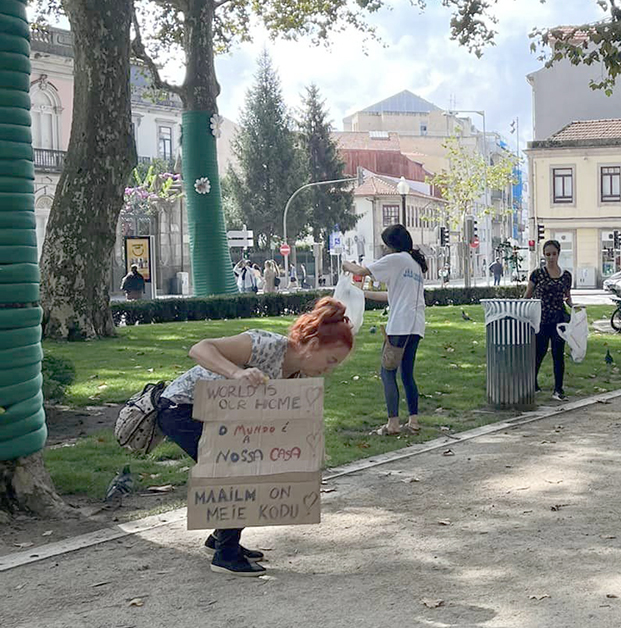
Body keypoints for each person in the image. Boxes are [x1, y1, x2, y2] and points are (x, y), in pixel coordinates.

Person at [156, 297, 354, 575]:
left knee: (253, 465)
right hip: (183, 408)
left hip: (223, 420)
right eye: (330, 360)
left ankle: (220, 540)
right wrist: (237, 373)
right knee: (236, 469)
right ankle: (225, 555)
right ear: (312, 344)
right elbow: (199, 349)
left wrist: (307, 450)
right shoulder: (265, 345)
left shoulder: (298, 376)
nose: (329, 370)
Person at [343, 224, 427, 436]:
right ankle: (413, 421)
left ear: (392, 244)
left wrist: (345, 264)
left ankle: (393, 424)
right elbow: (393, 296)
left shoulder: (396, 259)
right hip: (416, 325)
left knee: (387, 371)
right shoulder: (415, 265)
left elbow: (361, 271)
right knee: (407, 373)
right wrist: (363, 294)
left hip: (399, 325)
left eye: (386, 245)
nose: (386, 249)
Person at [525, 239, 573, 401]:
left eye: (554, 254)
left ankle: (558, 389)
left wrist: (575, 307)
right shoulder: (537, 274)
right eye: (547, 254)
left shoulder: (566, 276)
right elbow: (528, 295)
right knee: (539, 352)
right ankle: (532, 383)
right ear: (544, 255)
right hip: (541, 320)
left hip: (559, 320)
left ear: (558, 254)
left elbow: (567, 297)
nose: (551, 257)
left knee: (558, 354)